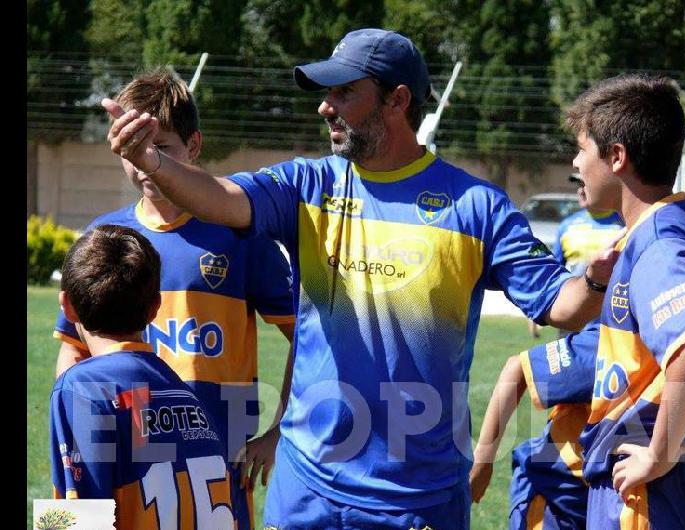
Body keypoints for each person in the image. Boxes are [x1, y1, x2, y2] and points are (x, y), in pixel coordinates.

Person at [100, 28, 616, 529]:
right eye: (327, 94)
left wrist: (595, 279)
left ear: (396, 100)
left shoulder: (476, 208)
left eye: (345, 93)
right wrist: (152, 161)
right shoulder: (308, 185)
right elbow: (222, 199)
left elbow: (563, 306)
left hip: (417, 498)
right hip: (307, 488)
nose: (326, 107)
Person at [52, 68, 295, 530]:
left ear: (194, 146)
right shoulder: (105, 239)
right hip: (126, 460)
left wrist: (280, 430)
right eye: (135, 147)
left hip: (219, 470)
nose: (145, 162)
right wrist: (77, 418)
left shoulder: (239, 234)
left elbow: (307, 335)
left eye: (161, 147)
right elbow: (72, 347)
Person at [469, 267, 685, 529]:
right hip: (554, 494)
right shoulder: (618, 349)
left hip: (606, 499)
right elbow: (517, 370)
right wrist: (483, 463)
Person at [568, 73, 685, 528]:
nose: (576, 163)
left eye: (583, 150)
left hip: (655, 490)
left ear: (617, 157)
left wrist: (658, 455)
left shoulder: (661, 240)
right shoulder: (684, 226)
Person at [50, 225, 239, 528]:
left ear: (67, 307)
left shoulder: (81, 388)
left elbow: (79, 519)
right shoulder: (188, 396)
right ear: (155, 308)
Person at [529, 173, 624, 339]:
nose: (580, 191)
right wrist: (535, 311)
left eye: (585, 184)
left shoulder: (623, 225)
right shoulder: (567, 226)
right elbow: (552, 274)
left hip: (612, 324)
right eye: (578, 185)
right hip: (572, 322)